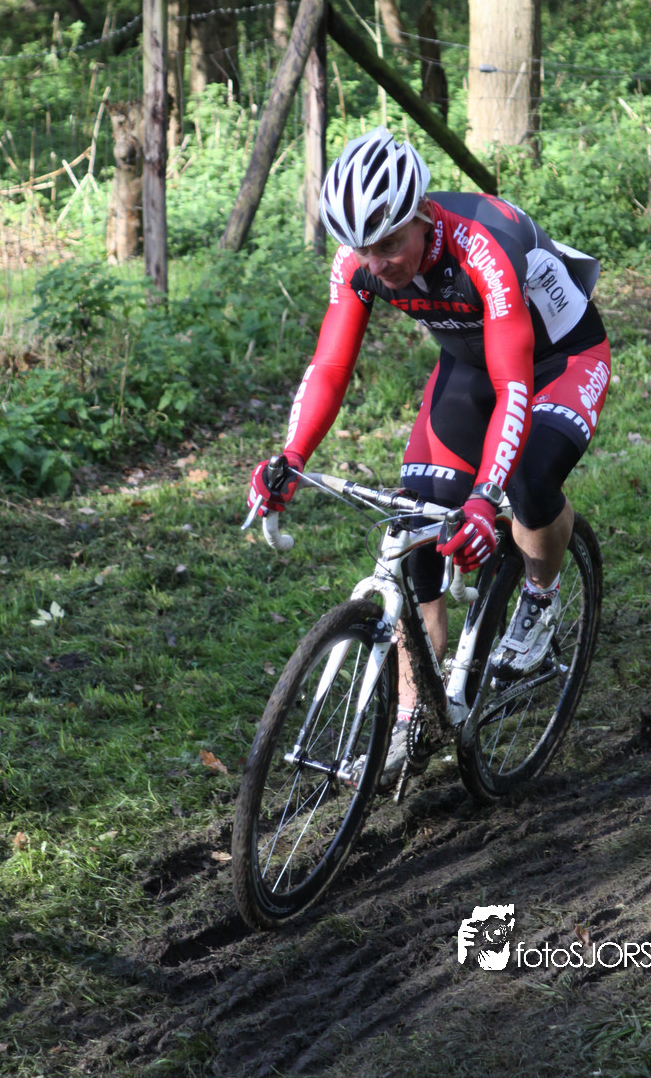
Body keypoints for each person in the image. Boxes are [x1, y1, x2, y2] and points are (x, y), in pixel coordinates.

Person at [248, 126, 611, 789]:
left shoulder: (483, 249)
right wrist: (290, 456)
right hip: (471, 365)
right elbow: (330, 366)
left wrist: (483, 499)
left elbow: (515, 388)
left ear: (421, 214)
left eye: (389, 244)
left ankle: (541, 592)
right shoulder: (359, 261)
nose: (376, 262)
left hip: (558, 362)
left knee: (529, 479)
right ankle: (415, 712)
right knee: (414, 524)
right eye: (362, 247)